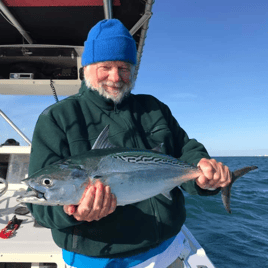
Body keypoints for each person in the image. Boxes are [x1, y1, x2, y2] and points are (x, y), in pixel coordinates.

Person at [27, 19, 231, 268]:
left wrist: (203, 171)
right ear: (86, 68)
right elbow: (40, 208)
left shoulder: (153, 108)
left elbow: (185, 150)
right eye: (106, 67)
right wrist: (73, 212)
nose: (116, 77)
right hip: (99, 260)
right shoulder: (58, 117)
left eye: (124, 67)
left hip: (168, 249)